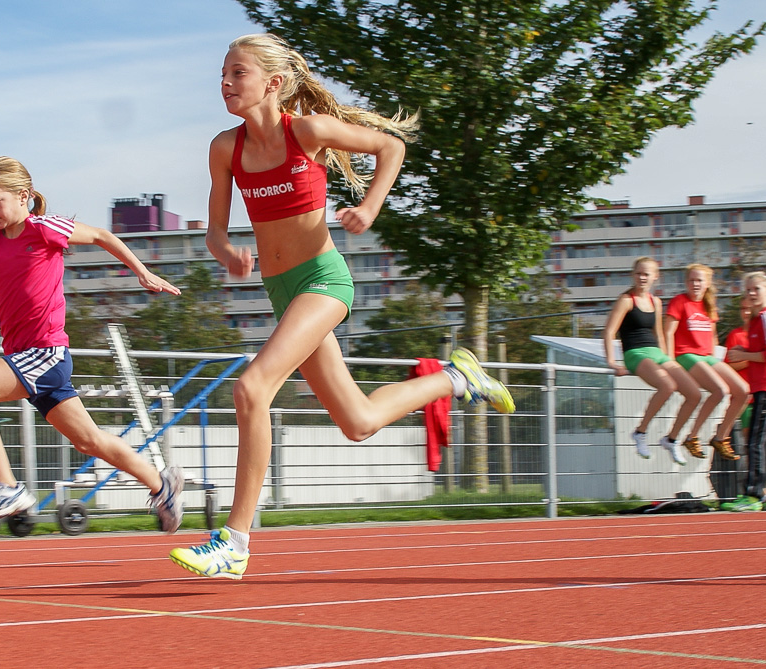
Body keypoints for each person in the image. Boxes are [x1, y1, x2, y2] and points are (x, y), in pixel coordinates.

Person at [169, 33, 514, 580]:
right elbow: (213, 230)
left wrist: (370, 206)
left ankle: (234, 540)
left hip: (324, 281)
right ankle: (456, 378)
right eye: (224, 73)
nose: (226, 83)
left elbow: (390, 148)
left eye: (238, 73)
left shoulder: (306, 132)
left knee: (251, 387)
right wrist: (226, 252)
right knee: (359, 421)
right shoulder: (224, 149)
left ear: (272, 84)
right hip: (283, 293)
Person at [0, 156, 184, 529]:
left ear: (23, 196)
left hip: (44, 352)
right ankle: (161, 484)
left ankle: (7, 486)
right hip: (24, 356)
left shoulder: (44, 228)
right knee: (89, 441)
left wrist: (143, 272)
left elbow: (102, 236)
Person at [602, 257, 698, 465]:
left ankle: (671, 439)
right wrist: (612, 361)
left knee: (694, 393)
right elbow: (609, 331)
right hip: (635, 352)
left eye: (647, 274)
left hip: (656, 352)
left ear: (656, 277)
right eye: (639, 273)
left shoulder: (656, 301)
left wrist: (668, 360)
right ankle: (640, 432)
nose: (642, 278)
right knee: (667, 386)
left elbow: (660, 335)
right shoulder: (627, 300)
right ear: (633, 275)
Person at [664, 263, 748, 460]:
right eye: (691, 280)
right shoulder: (679, 301)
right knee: (720, 390)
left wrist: (715, 361)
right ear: (686, 282)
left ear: (707, 283)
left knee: (743, 390)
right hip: (685, 354)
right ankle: (692, 437)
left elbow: (712, 338)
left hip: (706, 356)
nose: (695, 284)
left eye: (699, 280)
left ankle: (720, 437)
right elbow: (668, 332)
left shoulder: (709, 306)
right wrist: (669, 363)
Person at [723, 271, 766, 511]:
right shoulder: (755, 320)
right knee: (757, 442)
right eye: (748, 290)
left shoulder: (765, 317)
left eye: (756, 289)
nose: (751, 293)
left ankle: (753, 495)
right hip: (759, 388)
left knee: (755, 443)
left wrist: (743, 355)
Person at [725, 295, 755, 445]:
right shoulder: (735, 335)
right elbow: (728, 367)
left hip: (763, 395)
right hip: (747, 399)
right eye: (743, 309)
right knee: (751, 443)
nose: (746, 312)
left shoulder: (763, 333)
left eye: (749, 309)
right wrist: (753, 359)